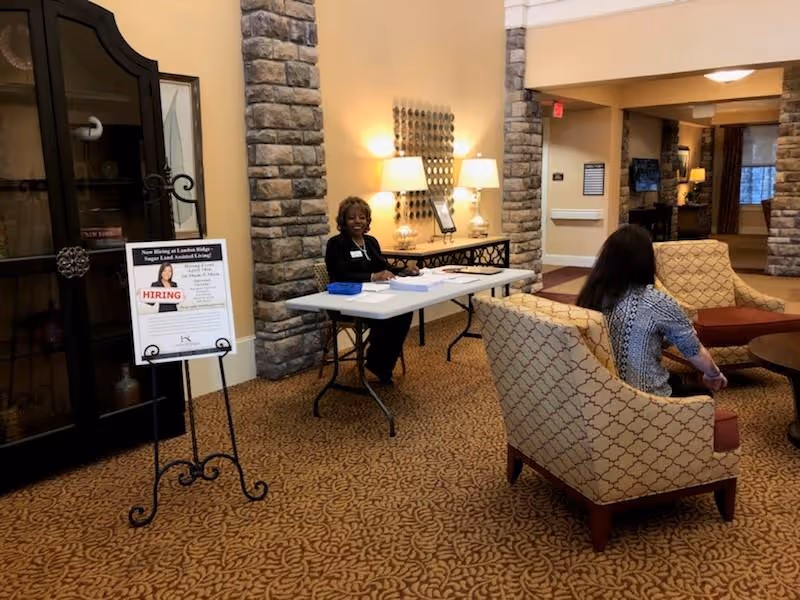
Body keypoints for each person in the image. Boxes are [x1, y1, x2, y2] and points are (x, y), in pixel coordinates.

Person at [576, 224, 727, 397]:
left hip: (603, 391)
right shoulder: (656, 302)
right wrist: (714, 374)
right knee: (705, 396)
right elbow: (694, 351)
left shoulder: (590, 296)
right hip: (645, 397)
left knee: (675, 379)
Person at [325, 196, 418, 384]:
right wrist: (372, 277)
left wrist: (405, 270)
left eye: (362, 217)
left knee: (403, 312)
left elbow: (383, 266)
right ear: (343, 220)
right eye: (351, 218)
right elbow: (339, 274)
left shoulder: (371, 242)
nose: (357, 221)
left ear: (368, 220)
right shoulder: (337, 244)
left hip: (374, 297)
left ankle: (380, 363)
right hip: (346, 302)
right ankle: (379, 364)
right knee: (386, 315)